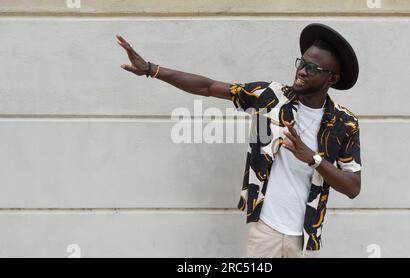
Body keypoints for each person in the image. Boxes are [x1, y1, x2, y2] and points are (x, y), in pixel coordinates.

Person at [116, 23, 362, 258]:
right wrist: (151, 69)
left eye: (312, 68)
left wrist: (314, 159)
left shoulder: (345, 123)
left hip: (307, 238)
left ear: (332, 79)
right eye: (302, 63)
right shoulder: (270, 97)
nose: (301, 71)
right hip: (265, 229)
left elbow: (353, 187)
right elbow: (208, 87)